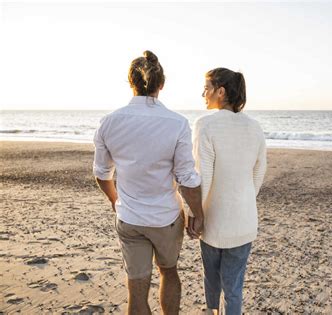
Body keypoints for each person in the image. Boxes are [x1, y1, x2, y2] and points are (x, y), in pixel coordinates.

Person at [93, 50, 204, 315]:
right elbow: (186, 178)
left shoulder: (109, 122)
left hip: (130, 219)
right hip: (165, 218)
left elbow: (101, 173)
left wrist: (114, 200)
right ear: (161, 85)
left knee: (137, 287)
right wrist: (197, 214)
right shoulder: (177, 123)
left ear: (131, 82)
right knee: (168, 273)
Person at [191, 68, 267, 314]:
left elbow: (203, 176)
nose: (203, 93)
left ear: (220, 92)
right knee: (234, 288)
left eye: (207, 88)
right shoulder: (254, 127)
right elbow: (258, 172)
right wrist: (242, 199)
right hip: (244, 220)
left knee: (211, 279)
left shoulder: (205, 124)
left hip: (214, 220)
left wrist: (194, 214)